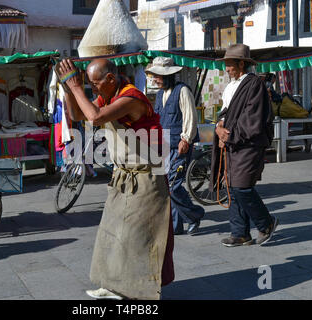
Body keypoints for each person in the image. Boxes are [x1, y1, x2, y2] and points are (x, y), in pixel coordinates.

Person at [57, 58, 174, 300]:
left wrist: (77, 86)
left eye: (95, 84)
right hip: (123, 174)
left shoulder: (131, 98)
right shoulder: (110, 95)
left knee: (138, 237)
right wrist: (69, 89)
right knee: (113, 233)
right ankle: (113, 286)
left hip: (146, 179)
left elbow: (96, 117)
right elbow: (80, 115)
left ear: (111, 79)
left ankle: (136, 291)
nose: (93, 89)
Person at [210, 44, 279, 247]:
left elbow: (252, 119)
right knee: (231, 186)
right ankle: (240, 233)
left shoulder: (254, 85)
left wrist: (227, 135)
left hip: (248, 144)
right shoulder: (231, 86)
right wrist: (218, 127)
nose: (227, 69)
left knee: (242, 187)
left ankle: (266, 223)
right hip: (232, 143)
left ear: (241, 64)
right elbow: (224, 113)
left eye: (230, 65)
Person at [146, 57, 205, 235]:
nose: (155, 79)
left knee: (173, 185)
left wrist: (185, 139)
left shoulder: (182, 91)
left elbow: (190, 117)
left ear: (168, 76)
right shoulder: (159, 95)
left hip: (179, 145)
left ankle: (194, 215)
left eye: (158, 76)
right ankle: (175, 225)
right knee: (165, 186)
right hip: (163, 145)